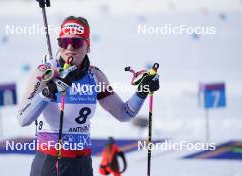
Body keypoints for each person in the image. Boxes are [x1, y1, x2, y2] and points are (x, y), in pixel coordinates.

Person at [17, 16, 159, 176]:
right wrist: (49, 91)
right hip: (51, 163)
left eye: (76, 42)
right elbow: (23, 118)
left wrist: (142, 91)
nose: (69, 46)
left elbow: (124, 114)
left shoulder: (94, 75)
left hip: (83, 164)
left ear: (87, 46)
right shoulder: (46, 72)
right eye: (64, 42)